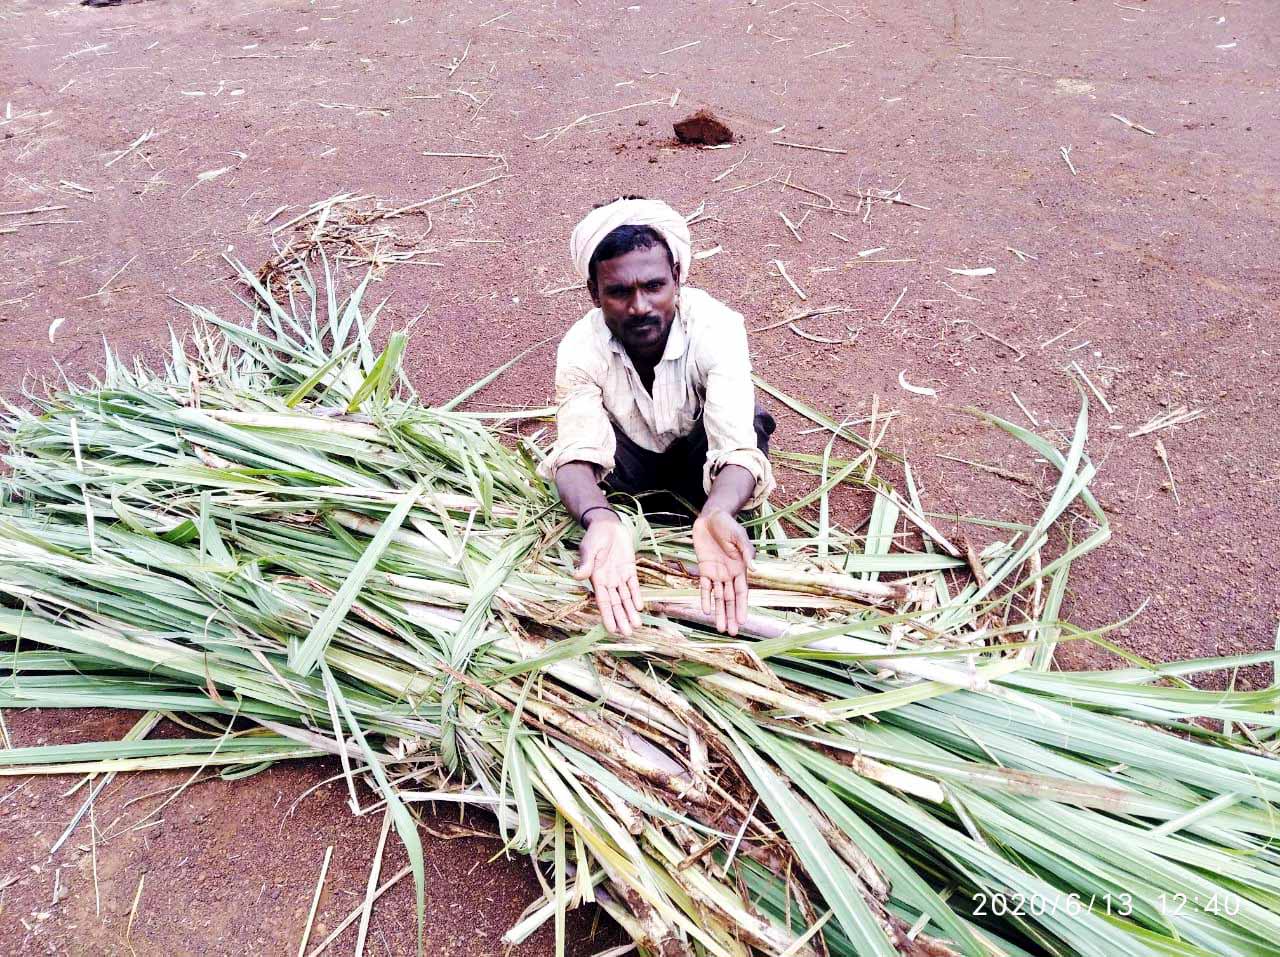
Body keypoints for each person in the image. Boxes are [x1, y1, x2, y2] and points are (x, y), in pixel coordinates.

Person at [538, 197, 776, 638]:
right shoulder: (579, 347)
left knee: (753, 420)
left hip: (698, 466)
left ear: (677, 280)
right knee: (585, 467)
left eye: (653, 286)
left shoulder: (716, 327)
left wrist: (718, 511)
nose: (639, 306)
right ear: (594, 294)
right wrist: (599, 518)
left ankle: (707, 517)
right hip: (628, 474)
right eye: (619, 291)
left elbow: (736, 444)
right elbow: (574, 452)